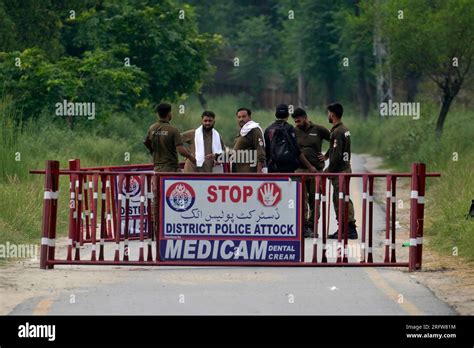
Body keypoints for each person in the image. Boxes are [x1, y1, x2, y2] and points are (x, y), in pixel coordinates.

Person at [143, 103, 196, 222]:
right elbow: (181, 150)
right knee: (178, 196)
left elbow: (147, 143)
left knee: (157, 198)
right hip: (171, 169)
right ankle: (175, 221)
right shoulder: (173, 130)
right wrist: (192, 158)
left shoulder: (152, 128)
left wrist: (154, 152)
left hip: (157, 169)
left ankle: (156, 224)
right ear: (169, 114)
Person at [318, 103, 358, 239]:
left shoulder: (337, 132)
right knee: (344, 197)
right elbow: (335, 149)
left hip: (340, 172)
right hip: (345, 169)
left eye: (328, 113)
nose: (328, 115)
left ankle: (346, 228)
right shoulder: (343, 129)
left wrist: (328, 170)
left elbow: (337, 155)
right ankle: (348, 228)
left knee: (339, 199)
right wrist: (327, 155)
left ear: (332, 114)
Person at [292, 107, 330, 237]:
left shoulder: (318, 129)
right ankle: (303, 226)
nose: (297, 124)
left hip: (315, 171)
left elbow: (335, 140)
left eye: (299, 121)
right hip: (299, 170)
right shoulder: (294, 132)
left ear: (305, 118)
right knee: (301, 200)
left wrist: (327, 155)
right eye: (295, 122)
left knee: (315, 200)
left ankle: (311, 225)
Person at [264, 104, 316, 174]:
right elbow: (297, 150)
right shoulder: (289, 128)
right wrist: (310, 166)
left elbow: (266, 150)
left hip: (273, 168)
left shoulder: (268, 129)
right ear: (288, 115)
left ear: (276, 114)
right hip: (287, 168)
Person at [232, 107, 266, 173]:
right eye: (239, 117)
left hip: (250, 171)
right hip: (239, 170)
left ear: (249, 117)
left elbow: (260, 151)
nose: (241, 119)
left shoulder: (254, 130)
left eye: (244, 116)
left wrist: (259, 171)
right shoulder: (242, 131)